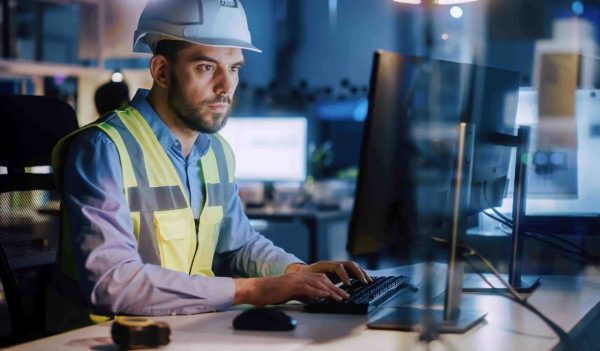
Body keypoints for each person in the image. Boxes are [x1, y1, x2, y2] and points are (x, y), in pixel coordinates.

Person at [47, 0, 372, 332]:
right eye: (206, 67)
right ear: (161, 71)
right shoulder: (104, 148)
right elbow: (113, 283)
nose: (225, 86)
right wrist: (254, 289)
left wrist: (298, 272)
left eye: (234, 68)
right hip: (105, 338)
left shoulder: (216, 151)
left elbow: (241, 244)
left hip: (186, 329)